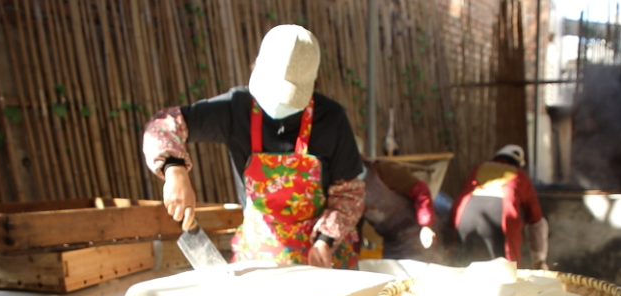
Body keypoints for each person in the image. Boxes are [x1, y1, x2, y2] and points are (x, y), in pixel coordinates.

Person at [142, 25, 364, 269]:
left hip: (323, 259)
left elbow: (349, 194)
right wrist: (174, 170)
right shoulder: (236, 109)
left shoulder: (331, 119)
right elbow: (163, 125)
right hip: (259, 259)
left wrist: (325, 239)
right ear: (256, 67)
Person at [450, 145, 549, 269]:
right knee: (506, 273)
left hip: (465, 215)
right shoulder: (521, 176)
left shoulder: (479, 169)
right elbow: (536, 222)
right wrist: (539, 258)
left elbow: (460, 199)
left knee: (462, 267)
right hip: (499, 216)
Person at [359, 146, 444, 263]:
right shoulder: (343, 187)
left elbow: (420, 191)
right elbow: (354, 226)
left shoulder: (383, 170)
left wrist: (426, 225)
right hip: (392, 241)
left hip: (417, 233)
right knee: (392, 277)